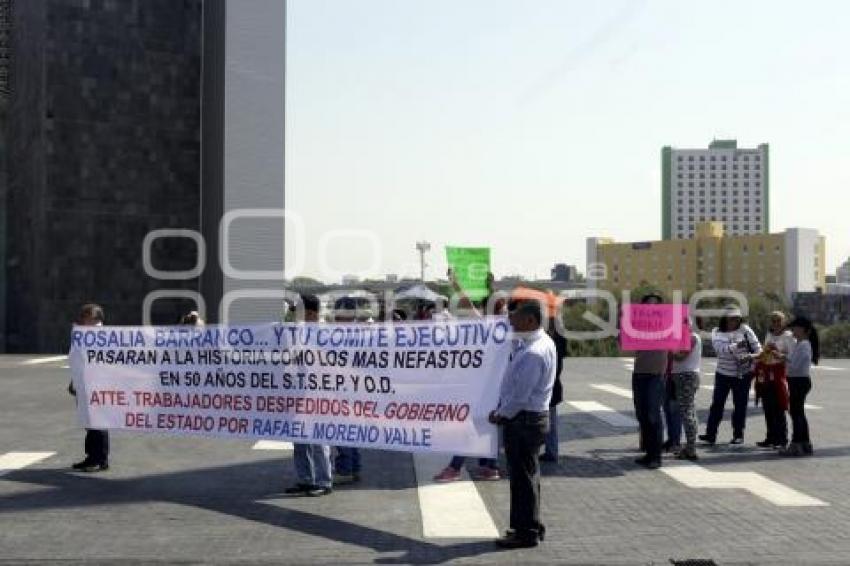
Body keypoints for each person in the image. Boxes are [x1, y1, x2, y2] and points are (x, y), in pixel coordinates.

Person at [490, 300, 556, 549]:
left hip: (524, 420)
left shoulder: (533, 353)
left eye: (515, 318)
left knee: (522, 478)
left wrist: (500, 414)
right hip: (531, 418)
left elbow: (520, 397)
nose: (510, 322)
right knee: (528, 475)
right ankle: (529, 526)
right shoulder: (538, 342)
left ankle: (525, 532)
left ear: (530, 321)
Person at [285, 294, 333, 497]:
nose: (295, 314)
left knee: (318, 437)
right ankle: (306, 478)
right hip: (299, 388)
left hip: (318, 390)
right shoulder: (298, 332)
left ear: (311, 313)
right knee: (299, 436)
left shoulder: (324, 333)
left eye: (299, 311)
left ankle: (324, 480)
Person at [700, 306, 762, 445]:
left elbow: (759, 350)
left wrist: (749, 357)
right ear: (725, 318)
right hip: (722, 373)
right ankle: (710, 434)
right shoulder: (716, 331)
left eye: (737, 318)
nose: (734, 320)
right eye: (731, 318)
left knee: (740, 405)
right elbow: (720, 350)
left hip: (742, 374)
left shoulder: (746, 330)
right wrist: (737, 346)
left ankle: (738, 434)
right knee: (717, 404)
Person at [70, 303, 110, 473]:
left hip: (99, 382)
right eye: (85, 318)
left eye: (90, 318)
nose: (87, 321)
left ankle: (100, 459)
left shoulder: (105, 335)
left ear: (98, 319)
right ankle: (91, 457)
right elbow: (77, 360)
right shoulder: (81, 334)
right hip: (84, 381)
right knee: (88, 421)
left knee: (98, 422)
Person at [631, 293, 668, 470]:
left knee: (654, 415)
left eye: (655, 305)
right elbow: (625, 345)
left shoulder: (667, 325)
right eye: (648, 305)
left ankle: (656, 456)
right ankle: (649, 452)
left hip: (655, 375)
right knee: (642, 415)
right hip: (639, 373)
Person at [332, 296, 364, 484]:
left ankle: (345, 469)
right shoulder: (361, 333)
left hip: (344, 389)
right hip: (354, 389)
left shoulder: (341, 334)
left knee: (341, 430)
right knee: (350, 430)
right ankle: (354, 467)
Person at [754, 311, 795, 449]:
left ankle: (782, 438)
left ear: (784, 322)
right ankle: (770, 437)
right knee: (767, 407)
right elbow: (765, 352)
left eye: (778, 320)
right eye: (773, 321)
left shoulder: (788, 336)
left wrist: (778, 353)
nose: (776, 323)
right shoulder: (769, 334)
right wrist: (755, 356)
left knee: (779, 408)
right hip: (766, 372)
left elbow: (791, 356)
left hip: (779, 373)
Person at [782, 316, 819, 457]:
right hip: (797, 381)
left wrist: (783, 359)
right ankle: (804, 443)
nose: (793, 330)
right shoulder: (800, 343)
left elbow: (795, 366)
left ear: (804, 330)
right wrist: (783, 357)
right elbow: (793, 362)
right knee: (798, 413)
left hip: (799, 381)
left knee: (796, 413)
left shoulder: (804, 345)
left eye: (795, 327)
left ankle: (796, 444)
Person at [669, 322, 702, 460]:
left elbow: (680, 356)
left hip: (686, 377)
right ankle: (690, 446)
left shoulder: (692, 337)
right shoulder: (684, 337)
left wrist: (668, 349)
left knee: (687, 411)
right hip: (683, 377)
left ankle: (691, 448)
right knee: (689, 410)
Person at [541, 316, 567, 463]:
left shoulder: (553, 343)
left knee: (549, 423)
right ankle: (551, 450)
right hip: (553, 387)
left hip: (550, 387)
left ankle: (551, 451)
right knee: (550, 422)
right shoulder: (559, 341)